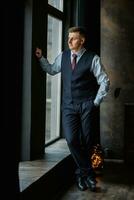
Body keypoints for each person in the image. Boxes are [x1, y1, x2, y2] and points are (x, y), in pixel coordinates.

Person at [35, 26, 110, 192]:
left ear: (81, 41)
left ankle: (80, 175)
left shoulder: (92, 58)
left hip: (86, 105)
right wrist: (41, 59)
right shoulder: (63, 56)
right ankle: (88, 174)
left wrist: (95, 102)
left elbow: (105, 81)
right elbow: (52, 70)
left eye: (73, 38)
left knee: (88, 141)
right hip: (68, 106)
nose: (69, 41)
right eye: (68, 38)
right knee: (71, 140)